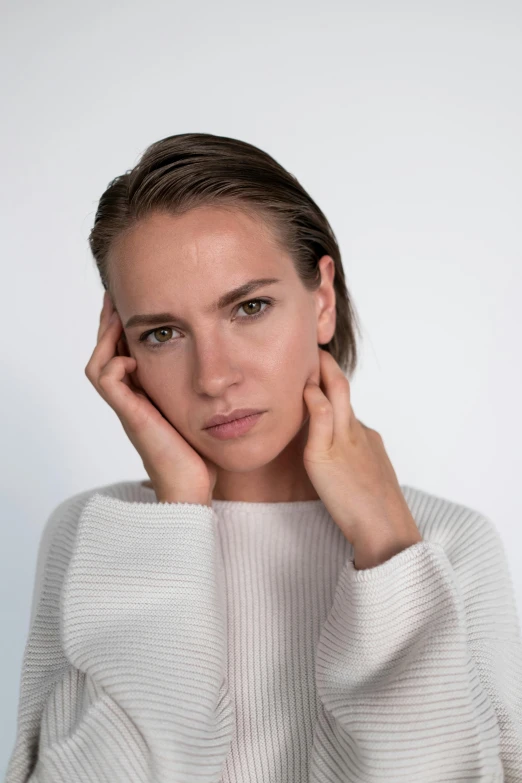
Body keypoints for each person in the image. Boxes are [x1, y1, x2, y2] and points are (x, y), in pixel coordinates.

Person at [5, 133, 522, 782]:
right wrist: (174, 518)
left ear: (323, 299)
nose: (214, 375)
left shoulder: (446, 545)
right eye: (163, 332)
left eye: (249, 307)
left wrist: (387, 544)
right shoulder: (99, 538)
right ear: (123, 348)